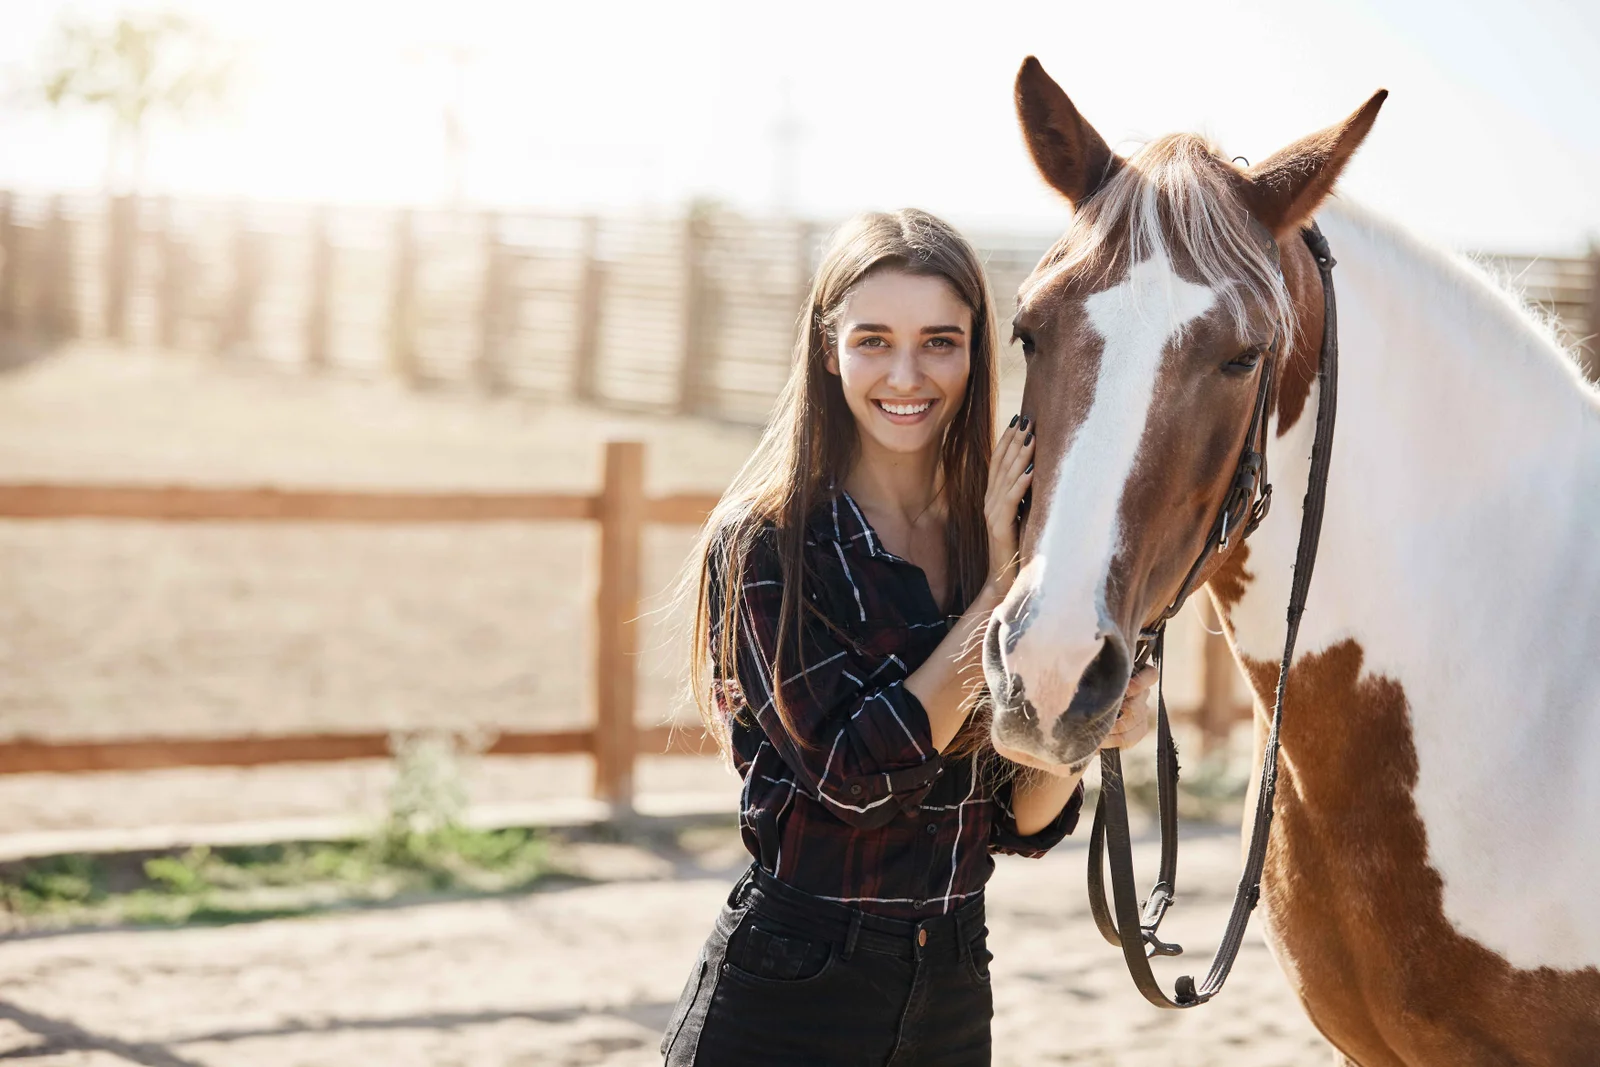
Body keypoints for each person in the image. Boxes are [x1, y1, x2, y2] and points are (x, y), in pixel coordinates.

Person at [661, 209, 1154, 1066]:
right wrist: (997, 597)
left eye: (939, 341)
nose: (905, 373)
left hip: (954, 986)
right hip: (793, 988)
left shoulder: (991, 533)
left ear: (974, 351)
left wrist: (1082, 728)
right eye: (873, 340)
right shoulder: (769, 544)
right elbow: (853, 780)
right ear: (828, 350)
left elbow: (1015, 821)